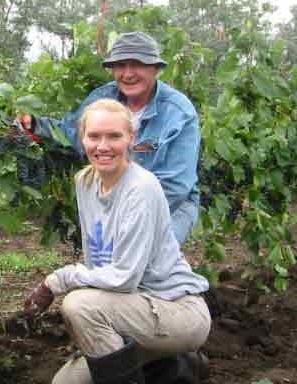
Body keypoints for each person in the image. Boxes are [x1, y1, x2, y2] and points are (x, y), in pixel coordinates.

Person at [24, 99, 211, 384]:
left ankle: (177, 355)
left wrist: (57, 281)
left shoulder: (142, 188)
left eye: (114, 136)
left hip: (176, 310)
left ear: (130, 139)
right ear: (82, 138)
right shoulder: (85, 182)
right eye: (94, 136)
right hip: (133, 311)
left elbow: (124, 278)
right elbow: (96, 258)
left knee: (79, 305)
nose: (103, 146)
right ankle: (172, 367)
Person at [17, 32, 200, 244]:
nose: (128, 73)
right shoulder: (102, 98)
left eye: (137, 65)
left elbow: (175, 186)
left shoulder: (179, 113)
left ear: (155, 69)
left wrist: (124, 221)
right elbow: (73, 133)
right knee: (105, 260)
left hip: (170, 206)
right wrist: (36, 125)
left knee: (150, 262)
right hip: (113, 199)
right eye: (120, 66)